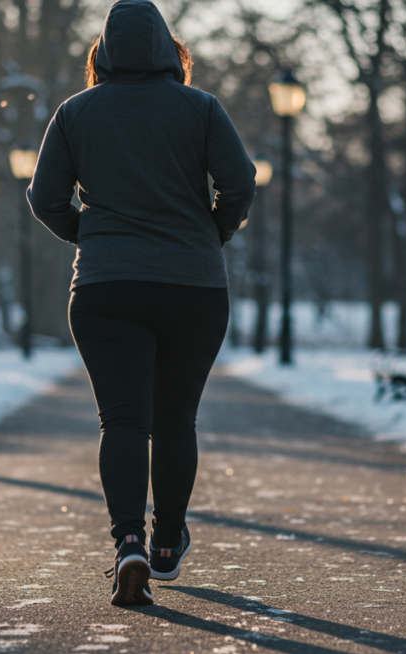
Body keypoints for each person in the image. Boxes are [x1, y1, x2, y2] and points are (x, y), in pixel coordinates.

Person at [26, 0, 256, 606]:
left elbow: (45, 197)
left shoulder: (75, 113)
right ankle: (166, 541)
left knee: (123, 420)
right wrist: (213, 231)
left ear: (101, 54)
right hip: (193, 286)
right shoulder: (201, 109)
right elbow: (240, 182)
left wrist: (91, 235)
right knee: (175, 419)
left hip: (106, 288)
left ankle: (127, 538)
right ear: (168, 51)